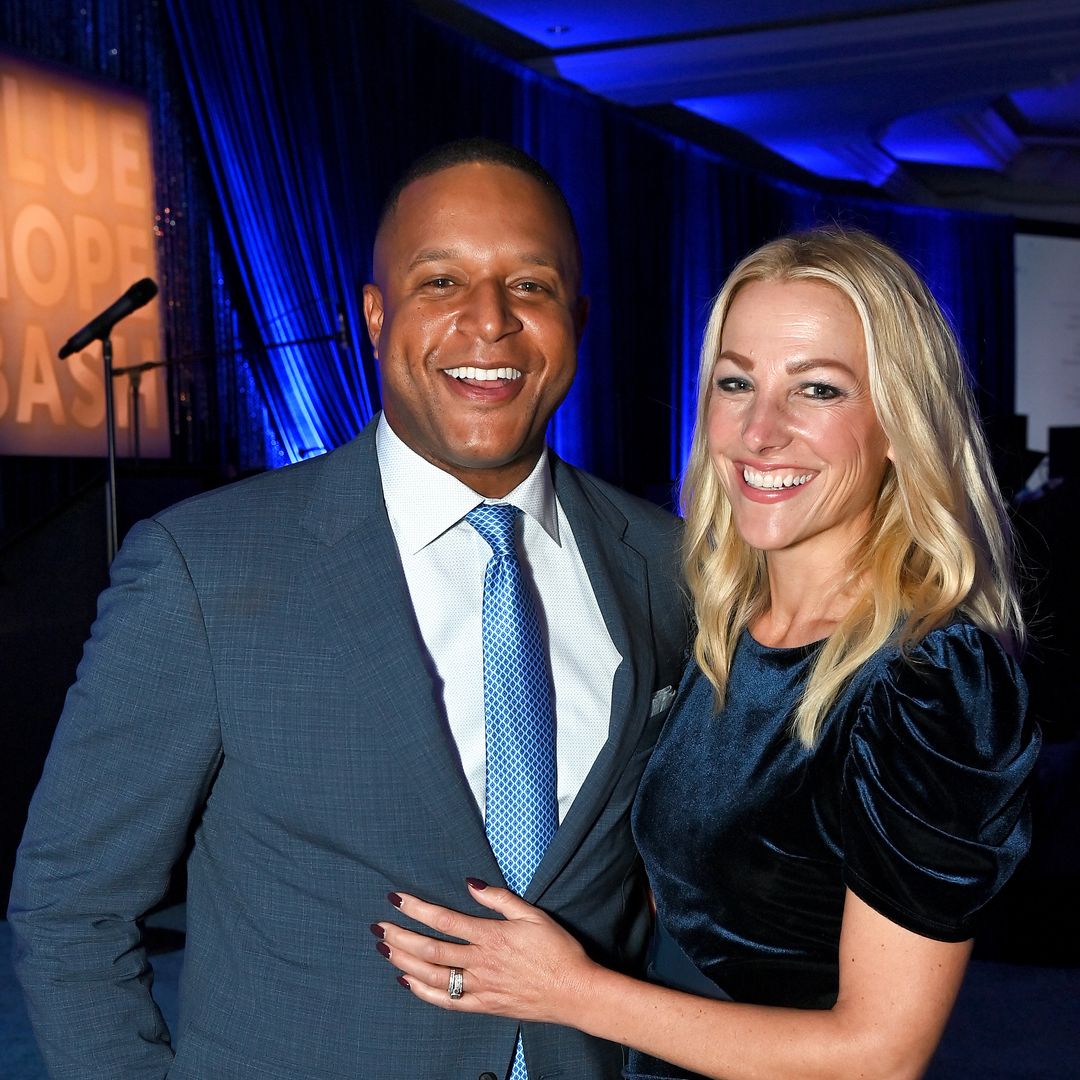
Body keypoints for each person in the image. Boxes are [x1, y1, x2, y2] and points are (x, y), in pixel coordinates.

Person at [8, 138, 688, 1080]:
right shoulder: (203, 569)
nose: (488, 323)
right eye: (440, 282)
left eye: (528, 286)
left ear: (575, 318)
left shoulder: (670, 565)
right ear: (375, 316)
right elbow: (69, 907)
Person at [374, 227, 1041, 1080]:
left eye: (818, 390)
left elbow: (879, 1056)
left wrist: (566, 991)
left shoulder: (928, 678)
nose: (762, 431)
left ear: (899, 424)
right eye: (736, 383)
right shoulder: (719, 623)